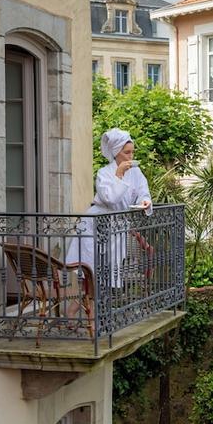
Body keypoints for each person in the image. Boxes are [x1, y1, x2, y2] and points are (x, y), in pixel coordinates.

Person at [65, 128, 152, 305]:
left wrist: (145, 201)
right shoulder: (104, 173)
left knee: (109, 271)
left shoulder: (136, 172)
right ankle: (90, 313)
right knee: (92, 270)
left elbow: (143, 191)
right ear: (116, 152)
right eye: (127, 152)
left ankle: (91, 311)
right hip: (96, 224)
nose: (131, 156)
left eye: (132, 152)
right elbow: (110, 199)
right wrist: (118, 175)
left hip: (117, 226)